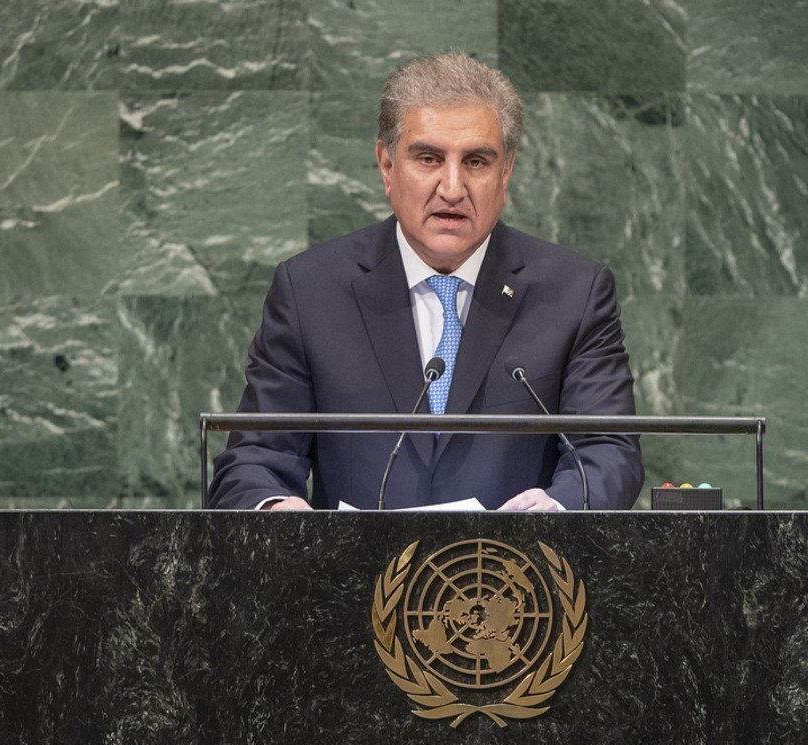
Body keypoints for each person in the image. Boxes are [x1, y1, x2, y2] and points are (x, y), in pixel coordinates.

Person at [208, 52, 643, 511]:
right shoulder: (310, 290)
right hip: (349, 579)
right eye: (429, 158)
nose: (452, 188)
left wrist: (558, 506)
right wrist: (275, 509)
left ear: (506, 171)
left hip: (519, 575)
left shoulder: (574, 292)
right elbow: (255, 459)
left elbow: (608, 452)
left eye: (476, 161)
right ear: (386, 165)